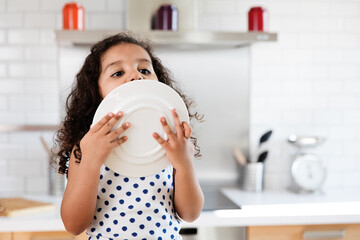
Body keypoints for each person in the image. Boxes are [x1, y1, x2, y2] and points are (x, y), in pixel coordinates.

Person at [55, 32, 204, 240]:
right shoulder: (85, 148)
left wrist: (184, 164)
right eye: (117, 73)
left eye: (144, 69)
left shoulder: (171, 143)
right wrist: (91, 162)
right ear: (96, 92)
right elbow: (73, 225)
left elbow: (190, 214)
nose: (136, 76)